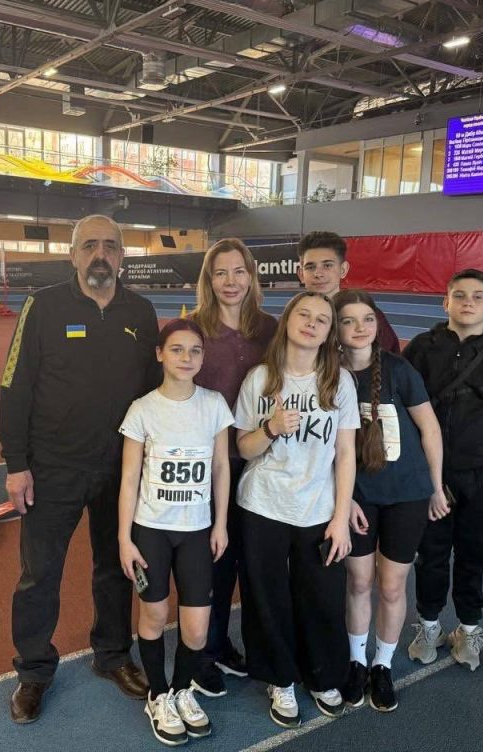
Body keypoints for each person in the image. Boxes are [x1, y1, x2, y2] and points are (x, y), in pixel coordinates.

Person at [0, 214, 160, 725]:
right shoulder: (42, 306)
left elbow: (154, 393)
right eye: (90, 245)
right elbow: (14, 384)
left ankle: (112, 655)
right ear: (73, 255)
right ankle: (34, 672)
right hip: (53, 468)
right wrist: (16, 464)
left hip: (121, 470)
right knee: (40, 573)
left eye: (110, 246)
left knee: (115, 567)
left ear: (122, 256)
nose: (100, 255)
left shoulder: (141, 311)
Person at [234, 291, 363, 728]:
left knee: (322, 597)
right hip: (262, 504)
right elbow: (243, 447)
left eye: (321, 319)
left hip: (318, 509)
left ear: (329, 334)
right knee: (267, 597)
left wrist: (340, 518)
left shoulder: (338, 382)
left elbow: (346, 454)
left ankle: (323, 675)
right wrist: (270, 428)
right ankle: (281, 679)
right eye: (303, 314)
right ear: (287, 321)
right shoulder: (259, 379)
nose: (311, 323)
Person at [403, 269, 483, 672]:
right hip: (432, 474)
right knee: (431, 554)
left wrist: (481, 440)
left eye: (477, 296)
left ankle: (469, 628)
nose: (468, 302)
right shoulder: (421, 349)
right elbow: (405, 404)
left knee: (476, 553)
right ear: (446, 302)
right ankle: (429, 626)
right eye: (459, 295)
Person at [117, 318, 233, 746]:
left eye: (195, 351)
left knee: (197, 628)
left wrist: (220, 523)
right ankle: (158, 694)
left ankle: (183, 690)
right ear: (160, 354)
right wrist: (124, 538)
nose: (187, 358)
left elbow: (221, 468)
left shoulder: (214, 404)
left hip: (197, 532)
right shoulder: (142, 409)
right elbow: (129, 479)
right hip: (151, 530)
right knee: (153, 615)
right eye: (178, 349)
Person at [334, 289, 445, 712]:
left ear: (378, 324)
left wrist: (435, 487)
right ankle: (356, 660)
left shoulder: (400, 370)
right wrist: (343, 499)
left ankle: (382, 665)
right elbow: (326, 447)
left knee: (392, 584)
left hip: (406, 496)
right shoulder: (329, 375)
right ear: (336, 329)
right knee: (359, 582)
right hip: (359, 498)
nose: (359, 327)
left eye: (367, 319)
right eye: (348, 320)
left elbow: (429, 429)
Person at [187, 238, 278, 698]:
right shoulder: (192, 330)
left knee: (250, 562)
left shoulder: (270, 329)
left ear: (251, 275)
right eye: (220, 272)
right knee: (213, 563)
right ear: (209, 279)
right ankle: (204, 652)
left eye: (238, 271)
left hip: (261, 464)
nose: (230, 281)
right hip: (209, 468)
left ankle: (229, 645)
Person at [297, 231, 400, 353]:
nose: (318, 274)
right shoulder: (292, 319)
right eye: (310, 267)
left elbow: (390, 360)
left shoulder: (370, 317)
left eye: (327, 265)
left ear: (343, 270)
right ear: (301, 274)